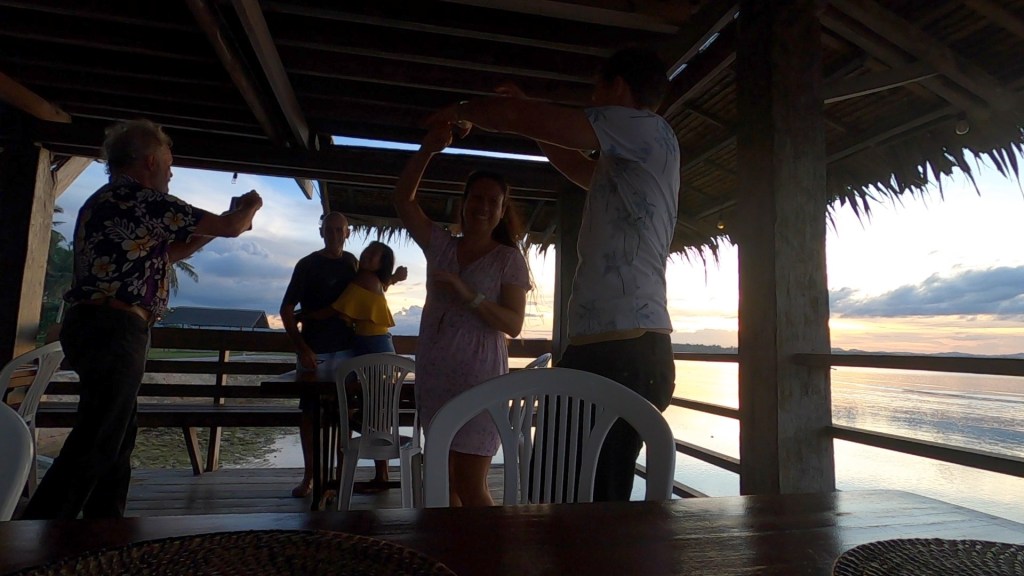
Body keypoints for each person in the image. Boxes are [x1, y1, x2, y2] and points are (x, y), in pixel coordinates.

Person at [427, 47, 679, 501]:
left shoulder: (643, 125)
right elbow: (573, 163)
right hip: (606, 350)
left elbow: (539, 121)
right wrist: (527, 117)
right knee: (557, 488)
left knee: (593, 505)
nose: (595, 102)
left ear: (618, 87)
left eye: (598, 91)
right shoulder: (632, 156)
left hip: (625, 351)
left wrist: (462, 112)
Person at [21, 119, 263, 519]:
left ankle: (104, 527)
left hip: (93, 327)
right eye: (168, 164)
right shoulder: (142, 199)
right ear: (150, 160)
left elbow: (166, 255)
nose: (171, 173)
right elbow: (233, 228)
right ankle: (35, 535)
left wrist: (218, 225)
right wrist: (248, 206)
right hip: (115, 330)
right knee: (99, 439)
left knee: (117, 436)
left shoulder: (106, 200)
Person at [394, 127, 531, 507]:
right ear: (464, 202)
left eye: (493, 201)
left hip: (480, 382)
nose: (483, 206)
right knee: (443, 486)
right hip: (435, 379)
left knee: (471, 487)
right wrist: (427, 149)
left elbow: (513, 324)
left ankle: (494, 559)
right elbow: (404, 201)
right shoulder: (440, 245)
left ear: (503, 211)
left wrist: (467, 293)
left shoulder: (508, 259)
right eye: (477, 197)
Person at [279, 214, 406, 497]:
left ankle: (339, 478)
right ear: (321, 231)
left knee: (345, 415)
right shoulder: (307, 264)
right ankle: (309, 477)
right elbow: (286, 311)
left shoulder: (353, 264)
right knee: (310, 413)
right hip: (316, 351)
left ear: (347, 233)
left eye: (340, 230)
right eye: (330, 229)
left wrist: (393, 280)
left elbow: (371, 290)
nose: (335, 234)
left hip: (351, 350)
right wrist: (303, 349)